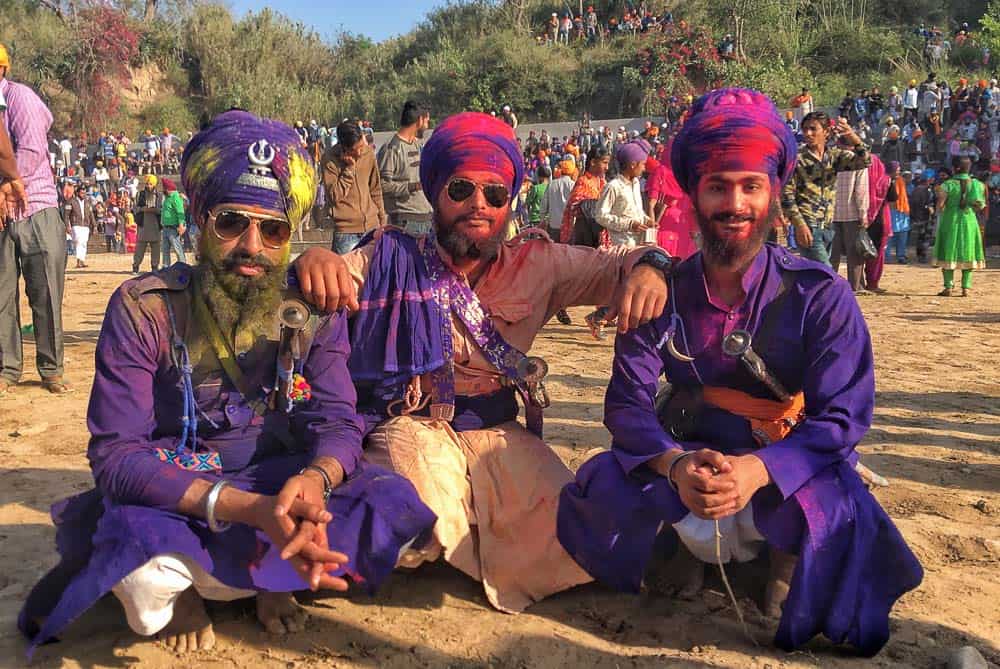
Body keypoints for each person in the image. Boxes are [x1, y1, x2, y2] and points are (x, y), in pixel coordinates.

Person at [19, 110, 436, 654]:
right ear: (199, 218)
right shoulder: (145, 308)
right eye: (232, 222)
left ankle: (265, 574)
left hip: (276, 482)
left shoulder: (312, 308)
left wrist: (316, 480)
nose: (251, 247)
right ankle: (242, 580)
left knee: (392, 503)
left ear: (291, 237)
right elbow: (118, 457)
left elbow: (337, 421)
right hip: (180, 490)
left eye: (274, 230)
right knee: (133, 540)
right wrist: (248, 511)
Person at [558, 88, 923, 656]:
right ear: (695, 195)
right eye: (718, 186)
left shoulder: (819, 295)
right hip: (687, 465)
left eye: (751, 186)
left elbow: (842, 417)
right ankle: (684, 551)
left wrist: (758, 470)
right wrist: (676, 465)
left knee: (844, 507)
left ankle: (780, 561)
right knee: (596, 487)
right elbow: (627, 406)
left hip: (781, 468)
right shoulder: (660, 291)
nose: (735, 203)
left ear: (773, 193)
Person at [290, 111, 673, 615]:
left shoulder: (542, 263)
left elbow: (625, 260)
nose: (478, 205)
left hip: (497, 431)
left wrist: (652, 268)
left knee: (579, 535)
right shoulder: (388, 255)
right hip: (412, 425)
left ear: (509, 201)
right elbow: (333, 276)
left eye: (495, 195)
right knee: (420, 520)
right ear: (435, 195)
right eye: (462, 189)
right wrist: (310, 260)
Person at [0, 42, 68, 396]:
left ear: (2, 69)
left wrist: (7, 188)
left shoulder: (19, 98)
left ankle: (51, 369)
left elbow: (31, 150)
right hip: (1, 215)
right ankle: (7, 368)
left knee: (45, 294)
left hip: (35, 209)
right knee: (0, 297)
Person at [782, 112, 870, 266]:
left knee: (816, 277)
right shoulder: (796, 158)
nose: (808, 133)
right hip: (808, 224)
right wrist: (799, 225)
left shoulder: (834, 156)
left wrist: (853, 137)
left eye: (813, 129)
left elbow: (865, 162)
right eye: (805, 129)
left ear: (826, 132)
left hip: (828, 225)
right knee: (826, 273)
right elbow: (787, 195)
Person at [323, 121, 386, 254]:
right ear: (344, 147)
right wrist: (349, 170)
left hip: (372, 228)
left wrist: (382, 219)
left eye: (361, 147)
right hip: (346, 233)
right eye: (355, 150)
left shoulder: (368, 154)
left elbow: (375, 189)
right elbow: (334, 196)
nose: (360, 152)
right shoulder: (329, 159)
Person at [377, 101, 433, 236]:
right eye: (427, 120)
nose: (428, 125)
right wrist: (412, 187)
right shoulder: (392, 148)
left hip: (426, 218)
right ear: (419, 120)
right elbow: (382, 185)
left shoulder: (418, 145)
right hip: (405, 221)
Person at [933, 156, 986, 296]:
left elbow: (940, 206)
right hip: (969, 221)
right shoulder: (977, 184)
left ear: (954, 168)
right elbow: (979, 205)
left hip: (950, 221)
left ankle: (948, 287)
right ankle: (966, 288)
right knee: (968, 251)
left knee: (947, 251)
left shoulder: (947, 185)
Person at [830, 152, 870, 293]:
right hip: (852, 214)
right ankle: (856, 286)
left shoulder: (831, 158)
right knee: (854, 253)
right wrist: (863, 213)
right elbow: (861, 191)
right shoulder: (859, 163)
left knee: (831, 253)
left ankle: (828, 285)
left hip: (830, 213)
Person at [132, 174, 164, 273]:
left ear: (154, 184)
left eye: (150, 184)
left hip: (155, 225)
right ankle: (136, 266)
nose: (148, 186)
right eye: (147, 184)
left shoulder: (160, 196)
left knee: (156, 248)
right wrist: (142, 209)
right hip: (143, 226)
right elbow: (135, 209)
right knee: (140, 248)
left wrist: (156, 210)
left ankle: (155, 267)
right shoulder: (139, 195)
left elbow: (163, 210)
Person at [65, 184, 96, 268]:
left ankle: (82, 260)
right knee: (79, 241)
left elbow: (91, 214)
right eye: (82, 193)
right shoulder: (71, 201)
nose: (83, 194)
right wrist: (67, 226)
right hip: (76, 224)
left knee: (84, 242)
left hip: (86, 225)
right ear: (77, 192)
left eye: (84, 193)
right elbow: (66, 215)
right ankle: (78, 261)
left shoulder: (87, 202)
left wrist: (94, 225)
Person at [887, 162, 911, 263]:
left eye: (898, 170)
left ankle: (901, 255)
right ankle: (886, 256)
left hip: (902, 210)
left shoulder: (901, 180)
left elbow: (903, 196)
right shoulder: (886, 180)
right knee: (889, 234)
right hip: (890, 210)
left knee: (903, 234)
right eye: (896, 170)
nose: (898, 171)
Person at [160, 178, 186, 266]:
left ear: (168, 189)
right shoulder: (167, 198)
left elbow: (180, 212)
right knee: (165, 250)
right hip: (166, 228)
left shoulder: (176, 197)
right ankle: (165, 268)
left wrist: (181, 225)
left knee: (177, 249)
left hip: (173, 228)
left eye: (165, 188)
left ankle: (183, 267)